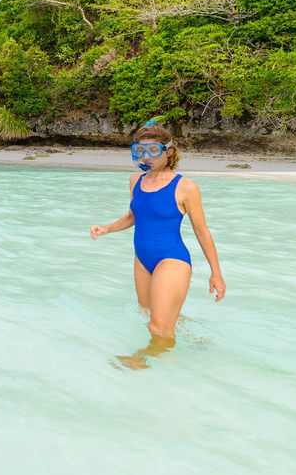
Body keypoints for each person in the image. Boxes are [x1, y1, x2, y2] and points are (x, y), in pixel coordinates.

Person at [90, 121, 226, 364]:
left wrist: (216, 273)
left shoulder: (186, 187)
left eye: (153, 150)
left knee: (158, 328)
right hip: (142, 259)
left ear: (169, 152)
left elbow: (201, 230)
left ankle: (144, 361)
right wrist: (107, 228)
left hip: (171, 259)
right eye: (139, 151)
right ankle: (199, 339)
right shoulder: (136, 181)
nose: (146, 156)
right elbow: (133, 216)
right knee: (147, 313)